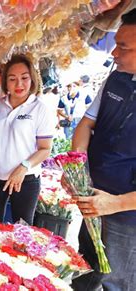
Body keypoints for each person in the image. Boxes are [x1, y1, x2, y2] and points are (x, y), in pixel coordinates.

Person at [66, 8, 136, 291]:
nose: (113, 53)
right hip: (93, 202)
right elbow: (85, 124)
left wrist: (116, 203)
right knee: (84, 271)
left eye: (123, 46)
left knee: (117, 282)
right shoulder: (115, 80)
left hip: (127, 218)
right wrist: (77, 168)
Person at [0, 54, 56, 225]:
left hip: (25, 179)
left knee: (22, 229)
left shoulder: (40, 109)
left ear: (32, 79)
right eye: (12, 79)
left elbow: (45, 148)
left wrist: (23, 167)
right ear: (5, 82)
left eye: (24, 78)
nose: (19, 84)